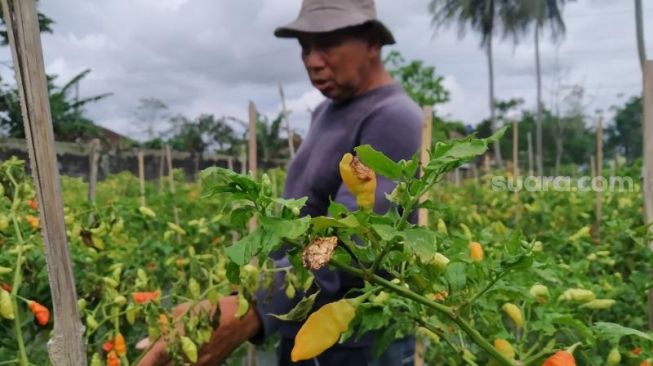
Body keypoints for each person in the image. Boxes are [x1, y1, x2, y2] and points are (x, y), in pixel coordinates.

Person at [138, 0, 423, 365]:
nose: (312, 61)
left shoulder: (392, 116)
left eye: (327, 43)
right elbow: (310, 217)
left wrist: (255, 310)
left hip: (356, 341)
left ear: (371, 42)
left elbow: (355, 236)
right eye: (305, 46)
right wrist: (241, 296)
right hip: (305, 321)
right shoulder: (327, 111)